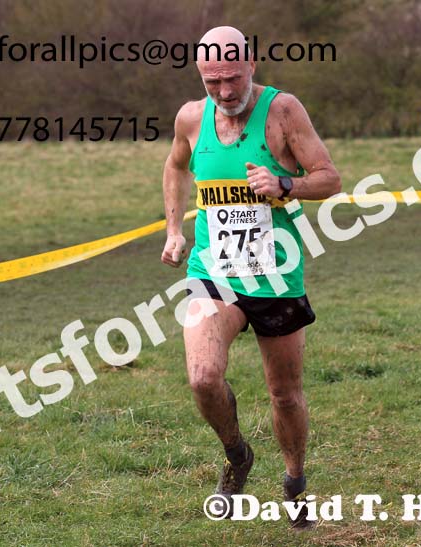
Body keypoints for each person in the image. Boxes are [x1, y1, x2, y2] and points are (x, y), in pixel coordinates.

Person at [160, 26, 340, 529]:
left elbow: (329, 178)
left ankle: (295, 478)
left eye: (232, 78)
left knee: (283, 394)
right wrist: (175, 230)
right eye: (212, 80)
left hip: (275, 276)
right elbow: (174, 167)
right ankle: (237, 453)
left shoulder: (283, 111)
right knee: (202, 378)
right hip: (214, 272)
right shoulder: (191, 118)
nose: (224, 91)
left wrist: (286, 183)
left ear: (252, 64)